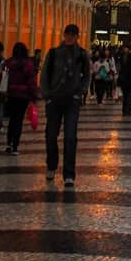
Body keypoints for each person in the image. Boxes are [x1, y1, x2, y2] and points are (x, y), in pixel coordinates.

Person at [40, 24, 91, 187]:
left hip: (72, 100)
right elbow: (44, 75)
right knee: (51, 135)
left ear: (77, 36)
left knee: (70, 137)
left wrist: (80, 93)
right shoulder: (54, 53)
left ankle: (69, 174)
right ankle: (51, 164)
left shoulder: (82, 54)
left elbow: (87, 76)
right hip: (54, 99)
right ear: (64, 35)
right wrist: (46, 95)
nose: (69, 37)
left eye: (72, 35)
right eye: (67, 34)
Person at [3, 42, 38, 155]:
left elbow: (2, 77)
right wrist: (34, 95)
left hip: (11, 94)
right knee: (18, 120)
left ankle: (8, 143)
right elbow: (31, 81)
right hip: (23, 96)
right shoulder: (28, 64)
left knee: (12, 120)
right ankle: (15, 146)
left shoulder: (8, 63)